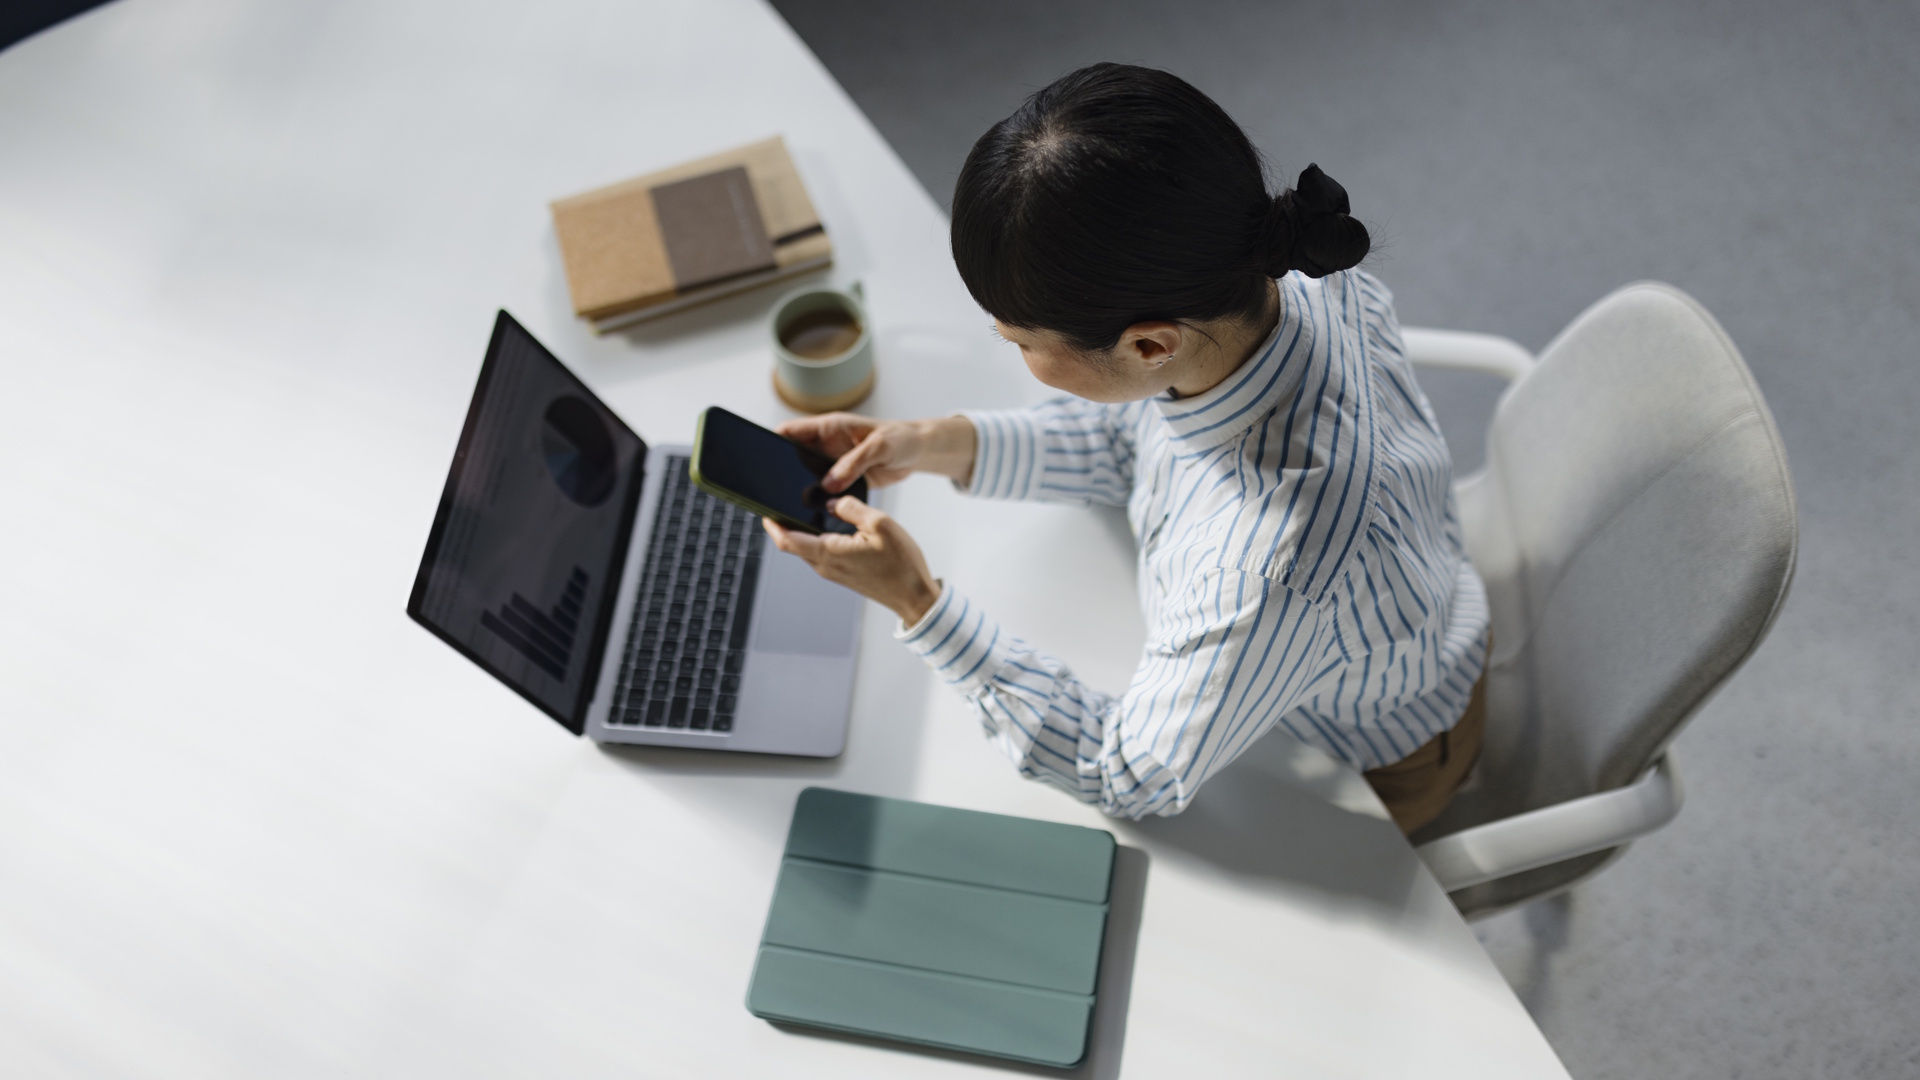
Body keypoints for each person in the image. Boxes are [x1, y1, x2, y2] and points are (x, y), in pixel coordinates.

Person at [764, 63, 1490, 833]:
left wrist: (918, 602)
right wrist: (934, 444)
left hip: (1369, 767)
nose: (1014, 355)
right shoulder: (1283, 280)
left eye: (1019, 343)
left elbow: (1126, 774)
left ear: (1149, 344)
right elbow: (1131, 439)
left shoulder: (1270, 565)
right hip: (1372, 627)